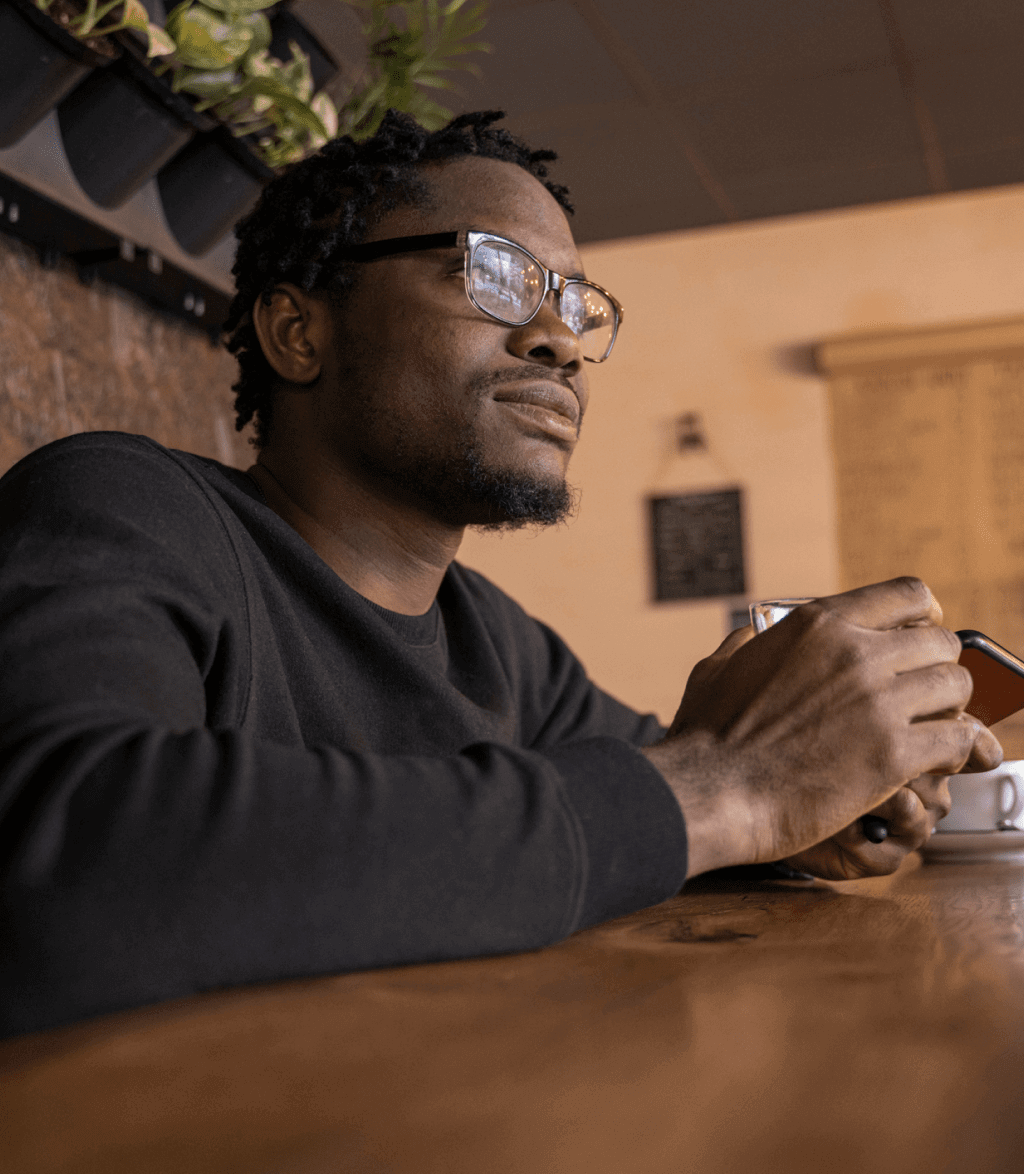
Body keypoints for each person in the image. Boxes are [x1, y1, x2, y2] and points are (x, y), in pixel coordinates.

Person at [0, 111, 999, 1039]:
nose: (561, 340)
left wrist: (793, 818)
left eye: (576, 303)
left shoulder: (501, 646)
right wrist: (727, 788)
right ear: (297, 332)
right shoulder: (130, 506)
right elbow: (69, 853)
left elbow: (647, 800)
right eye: (497, 275)